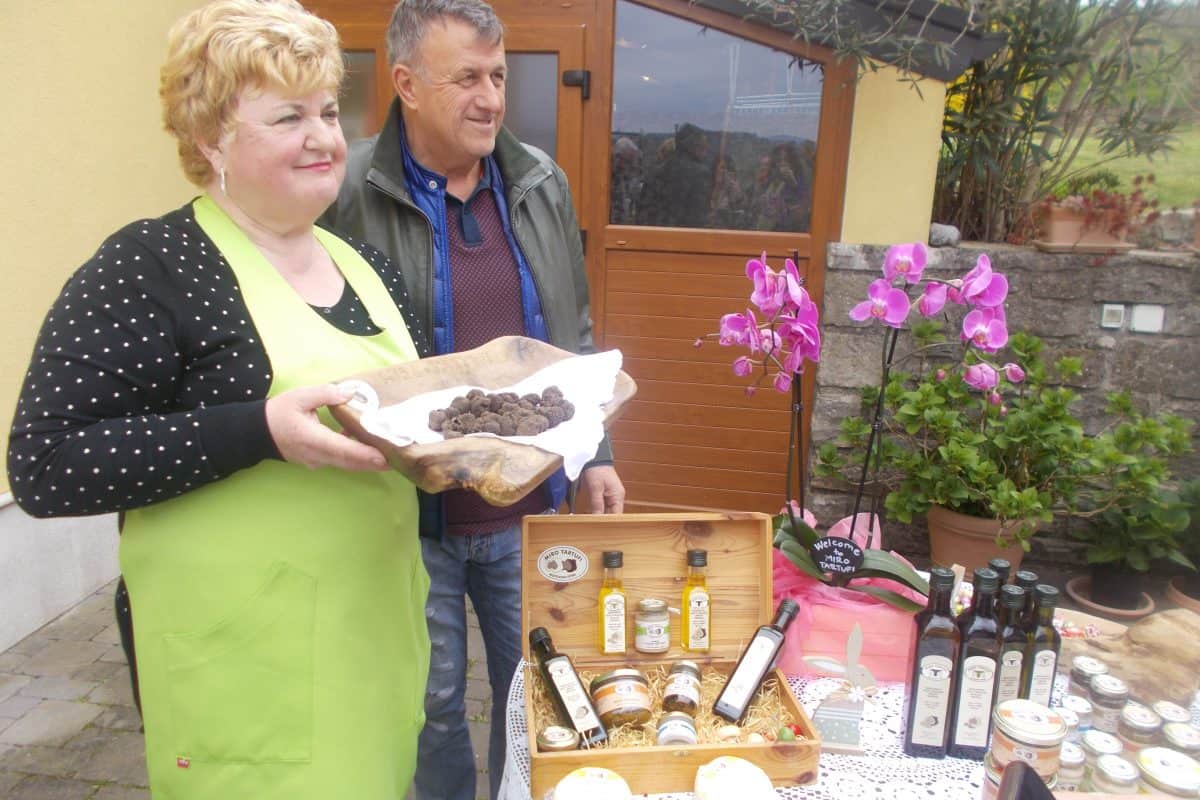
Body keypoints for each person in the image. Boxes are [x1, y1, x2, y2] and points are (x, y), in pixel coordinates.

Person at [6, 1, 432, 797]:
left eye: (327, 111)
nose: (324, 137)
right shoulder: (152, 266)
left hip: (373, 642)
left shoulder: (366, 266)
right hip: (246, 672)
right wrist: (259, 430)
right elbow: (47, 465)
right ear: (210, 139)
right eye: (288, 117)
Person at [319, 1, 626, 798]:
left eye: (498, 76)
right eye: (467, 79)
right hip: (409, 511)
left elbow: (573, 331)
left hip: (526, 505)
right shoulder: (347, 188)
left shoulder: (539, 181)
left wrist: (596, 452)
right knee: (432, 704)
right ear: (406, 85)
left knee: (534, 692)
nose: (491, 98)